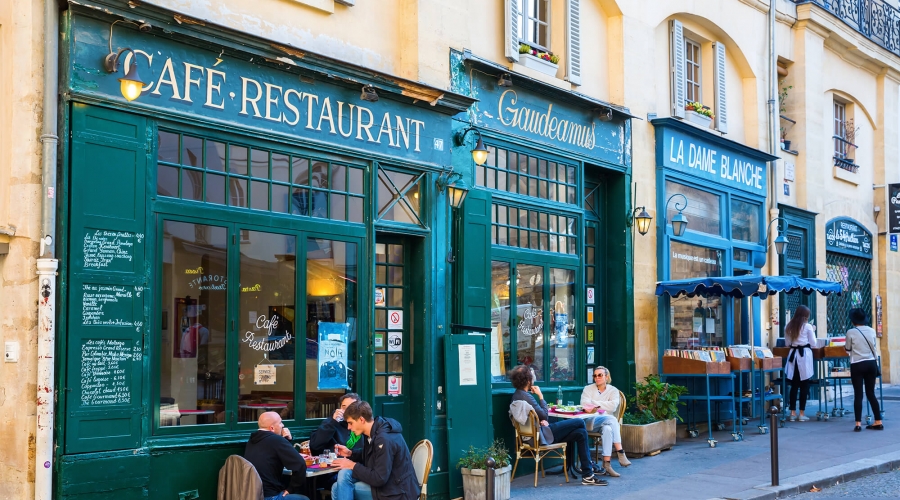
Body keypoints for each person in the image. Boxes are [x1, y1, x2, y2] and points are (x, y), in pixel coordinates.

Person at [507, 365, 607, 486]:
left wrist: (539, 420)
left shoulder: (517, 395)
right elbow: (544, 415)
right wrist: (541, 396)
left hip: (534, 436)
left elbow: (537, 417)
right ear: (528, 381)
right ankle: (589, 467)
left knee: (581, 433)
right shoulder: (527, 396)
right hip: (542, 436)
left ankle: (588, 474)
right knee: (579, 422)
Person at [331, 401, 420, 500]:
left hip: (397, 492)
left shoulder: (384, 439)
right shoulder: (373, 431)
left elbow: (379, 478)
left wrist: (352, 465)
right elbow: (375, 456)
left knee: (339, 488)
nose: (349, 428)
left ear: (361, 419)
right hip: (388, 485)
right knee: (339, 483)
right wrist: (350, 453)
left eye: (350, 423)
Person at [243, 412, 309, 500]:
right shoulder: (277, 440)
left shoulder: (251, 440)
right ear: (272, 428)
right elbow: (300, 464)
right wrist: (291, 489)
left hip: (252, 494)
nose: (283, 425)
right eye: (280, 422)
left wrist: (286, 440)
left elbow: (272, 455)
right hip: (270, 496)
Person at [580, 366, 631, 477]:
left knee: (608, 428)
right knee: (612, 419)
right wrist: (600, 405)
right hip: (590, 422)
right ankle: (620, 451)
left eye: (600, 375)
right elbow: (585, 405)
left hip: (606, 423)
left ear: (606, 377)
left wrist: (594, 403)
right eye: (595, 375)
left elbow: (613, 407)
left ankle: (606, 464)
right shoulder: (588, 389)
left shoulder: (613, 390)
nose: (597, 378)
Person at [845, 308, 883, 432]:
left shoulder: (850, 332)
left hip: (857, 364)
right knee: (871, 393)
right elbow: (874, 347)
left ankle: (858, 424)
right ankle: (878, 421)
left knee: (858, 394)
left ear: (853, 320)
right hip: (871, 363)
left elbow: (848, 349)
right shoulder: (872, 331)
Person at [784, 305, 815, 422]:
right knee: (804, 385)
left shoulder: (788, 326)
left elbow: (787, 343)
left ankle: (792, 412)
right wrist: (813, 330)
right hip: (804, 356)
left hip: (793, 356)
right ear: (806, 316)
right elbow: (814, 342)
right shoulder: (808, 327)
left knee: (794, 385)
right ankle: (802, 413)